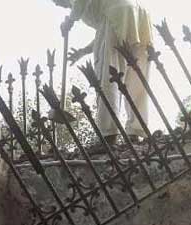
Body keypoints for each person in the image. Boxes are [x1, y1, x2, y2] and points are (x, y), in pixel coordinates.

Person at [52, 0, 153, 146]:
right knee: (136, 76)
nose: (57, 5)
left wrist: (70, 21)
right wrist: (83, 51)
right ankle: (135, 131)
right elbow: (108, 28)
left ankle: (108, 134)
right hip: (139, 15)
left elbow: (108, 24)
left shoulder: (77, 5)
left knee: (108, 75)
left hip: (119, 11)